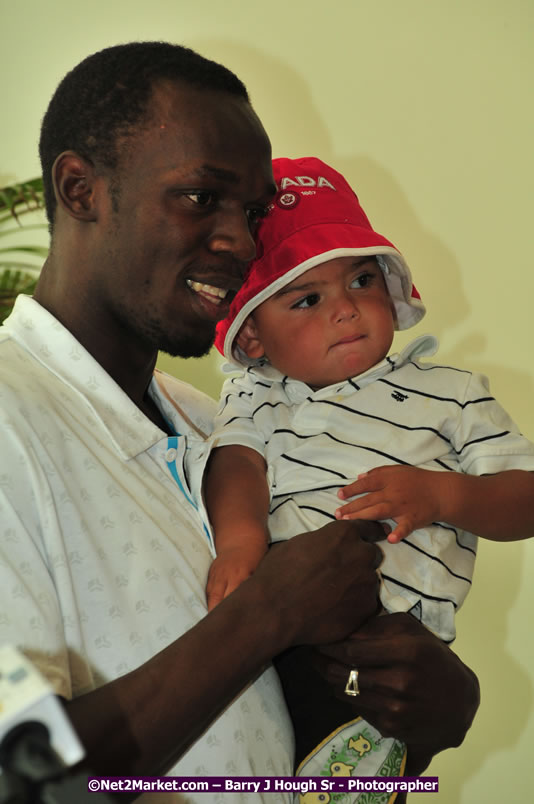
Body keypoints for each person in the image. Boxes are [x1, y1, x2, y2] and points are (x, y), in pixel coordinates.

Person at [0, 44, 480, 803]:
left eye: (252, 211)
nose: (241, 241)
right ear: (80, 188)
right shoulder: (9, 418)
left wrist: (413, 710)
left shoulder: (220, 428)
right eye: (200, 197)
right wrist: (269, 611)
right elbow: (20, 776)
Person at [206, 156, 534, 786]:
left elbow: (524, 498)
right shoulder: (256, 397)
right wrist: (241, 544)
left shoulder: (452, 393)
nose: (346, 310)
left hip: (393, 647)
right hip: (283, 626)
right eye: (307, 298)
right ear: (252, 339)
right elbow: (236, 466)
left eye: (361, 280)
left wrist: (443, 493)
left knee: (356, 763)